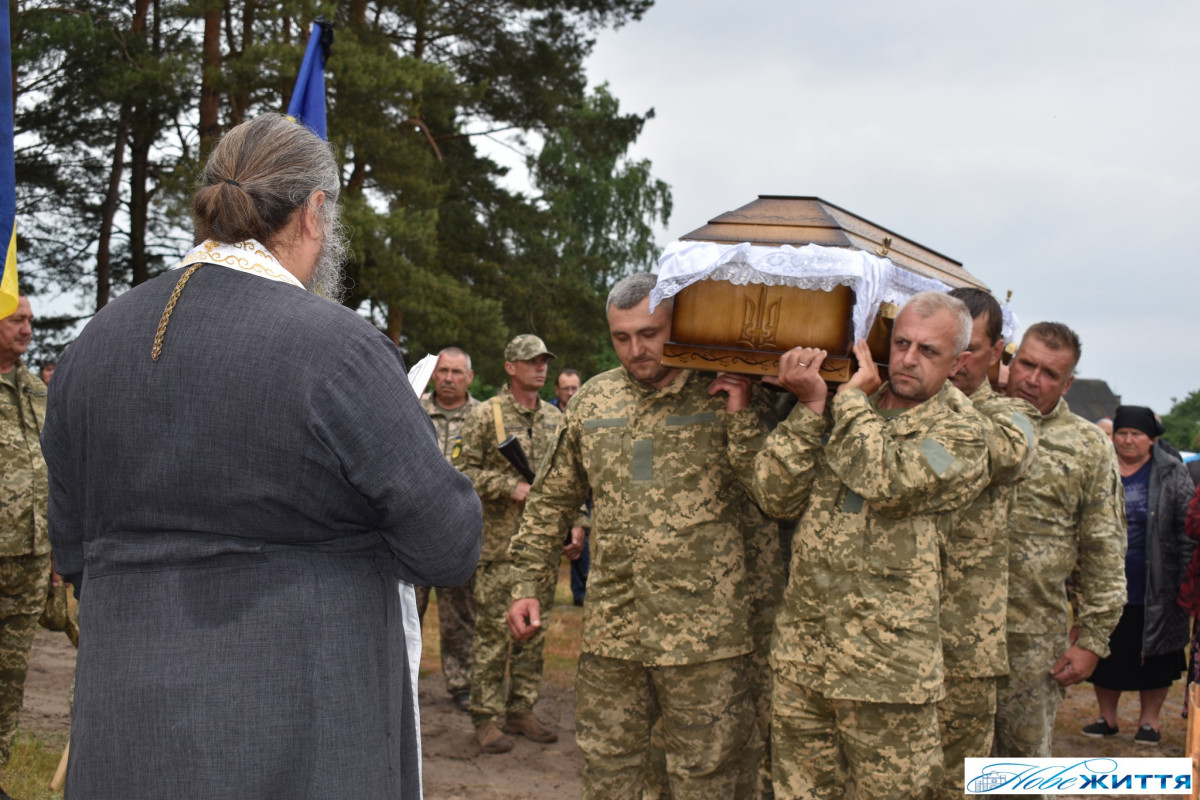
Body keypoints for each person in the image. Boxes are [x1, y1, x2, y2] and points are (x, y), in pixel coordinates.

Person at [40, 113, 482, 799]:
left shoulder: (89, 347)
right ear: (313, 212)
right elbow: (448, 544)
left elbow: (74, 555)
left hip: (126, 732)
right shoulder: (337, 349)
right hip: (295, 736)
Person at [506, 273, 773, 799]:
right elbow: (551, 502)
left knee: (708, 776)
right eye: (622, 337)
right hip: (616, 630)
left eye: (649, 333)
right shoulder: (592, 402)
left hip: (707, 638)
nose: (637, 350)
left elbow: (774, 493)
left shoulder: (727, 391)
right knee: (609, 770)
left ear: (678, 323)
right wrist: (527, 585)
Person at [733, 291, 990, 799]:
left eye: (928, 351)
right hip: (805, 659)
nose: (908, 360)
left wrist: (845, 401)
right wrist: (810, 408)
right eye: (901, 344)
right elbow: (775, 497)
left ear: (959, 362)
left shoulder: (963, 432)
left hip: (888, 674)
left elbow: (888, 480)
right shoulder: (843, 402)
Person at [995, 322, 1126, 771]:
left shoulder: (1087, 446)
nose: (1032, 380)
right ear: (1008, 361)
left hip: (1031, 643)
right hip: (944, 633)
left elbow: (1105, 550)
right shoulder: (966, 420)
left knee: (1019, 771)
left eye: (1050, 374)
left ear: (1068, 383)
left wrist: (1092, 639)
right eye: (1026, 364)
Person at [935, 288, 1039, 798]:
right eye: (942, 347)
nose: (954, 362)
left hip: (963, 645)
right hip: (885, 644)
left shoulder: (1012, 418)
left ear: (999, 352)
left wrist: (929, 382)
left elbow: (998, 454)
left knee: (957, 783)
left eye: (967, 348)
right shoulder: (888, 406)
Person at [458, 334, 566, 754]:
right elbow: (462, 471)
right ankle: (485, 717)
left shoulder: (556, 418)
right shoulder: (488, 416)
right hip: (500, 548)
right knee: (491, 635)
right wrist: (510, 486)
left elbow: (565, 481)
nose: (540, 367)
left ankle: (521, 709)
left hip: (540, 551)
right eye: (531, 361)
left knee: (534, 635)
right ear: (510, 366)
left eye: (544, 361)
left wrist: (576, 522)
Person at [1082, 406, 1193, 745]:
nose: (1128, 440)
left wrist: (1185, 577)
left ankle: (1150, 722)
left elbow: (1186, 527)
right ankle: (1107, 717)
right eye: (1122, 433)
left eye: (1136, 434)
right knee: (1106, 648)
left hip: (1157, 579)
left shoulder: (1171, 472)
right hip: (1105, 577)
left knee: (1156, 654)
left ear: (1152, 439)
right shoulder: (1100, 466)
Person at [0, 295, 52, 800]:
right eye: (17, 319)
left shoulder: (35, 389)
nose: (27, 329)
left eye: (31, 321)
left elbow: (50, 468)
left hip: (30, 559)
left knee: (10, 679)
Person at [416, 346, 480, 712]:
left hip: (458, 532)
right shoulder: (414, 409)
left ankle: (461, 682)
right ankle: (404, 681)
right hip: (416, 532)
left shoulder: (482, 417)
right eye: (443, 371)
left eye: (457, 372)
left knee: (460, 613)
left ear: (469, 377)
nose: (449, 378)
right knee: (410, 610)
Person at [552, 368, 591, 606]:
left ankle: (581, 592)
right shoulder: (547, 414)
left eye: (574, 387)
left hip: (581, 488)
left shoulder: (588, 415)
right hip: (553, 488)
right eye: (565, 388)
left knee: (580, 541)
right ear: (557, 390)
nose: (569, 392)